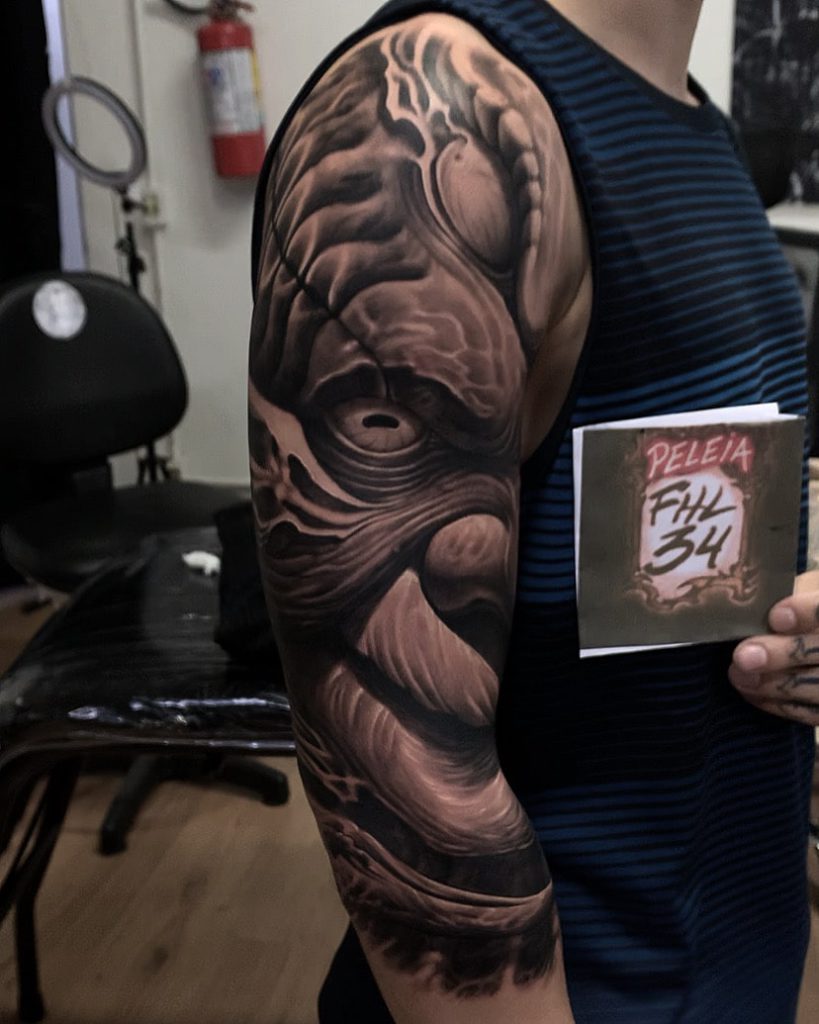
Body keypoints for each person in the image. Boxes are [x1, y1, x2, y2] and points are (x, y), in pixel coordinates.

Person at [248, 1, 817, 1021]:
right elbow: (402, 775)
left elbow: (677, 537)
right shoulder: (435, 119)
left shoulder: (690, 117)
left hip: (726, 957)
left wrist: (790, 609)